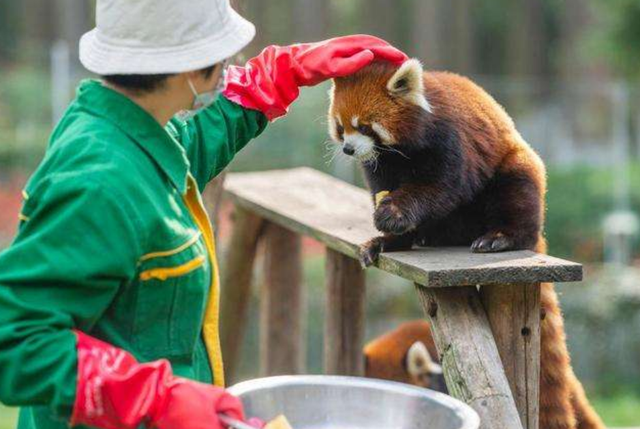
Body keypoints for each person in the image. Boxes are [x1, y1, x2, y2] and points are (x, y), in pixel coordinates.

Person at [0, 1, 408, 429]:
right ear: (189, 69)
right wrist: (154, 399)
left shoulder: (131, 135)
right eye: (223, 54)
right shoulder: (100, 183)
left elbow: (188, 145)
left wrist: (284, 72)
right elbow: (14, 336)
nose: (229, 63)